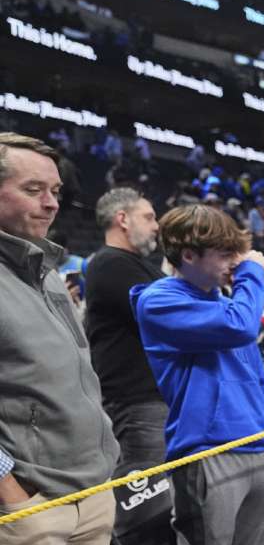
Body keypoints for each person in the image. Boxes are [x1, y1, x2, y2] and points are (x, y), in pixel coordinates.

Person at [132, 204, 264, 545]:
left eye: (236, 253)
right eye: (224, 253)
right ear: (186, 254)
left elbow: (246, 341)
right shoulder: (158, 300)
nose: (233, 262)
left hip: (261, 447)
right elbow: (240, 325)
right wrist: (252, 275)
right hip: (209, 457)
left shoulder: (225, 302)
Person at [0, 132, 120, 545]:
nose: (51, 203)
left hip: (89, 494)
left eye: (54, 190)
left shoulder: (45, 269)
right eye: (33, 189)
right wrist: (14, 499)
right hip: (29, 509)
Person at [85, 187, 166, 464]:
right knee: (149, 498)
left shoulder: (139, 265)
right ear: (123, 219)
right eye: (149, 218)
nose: (156, 226)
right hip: (137, 403)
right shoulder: (110, 264)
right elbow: (167, 318)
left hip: (154, 399)